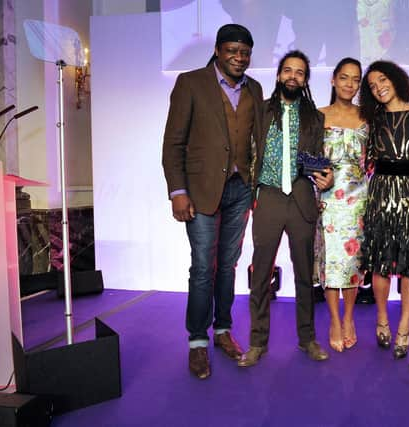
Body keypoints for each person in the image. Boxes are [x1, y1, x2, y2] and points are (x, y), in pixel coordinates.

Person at [162, 24, 264, 379]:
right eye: (233, 50)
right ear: (219, 51)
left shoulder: (255, 89)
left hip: (240, 190)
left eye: (246, 52)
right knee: (203, 267)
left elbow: (259, 142)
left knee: (228, 265)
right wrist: (178, 191)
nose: (240, 57)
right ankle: (197, 342)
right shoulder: (191, 83)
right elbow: (173, 143)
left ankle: (222, 330)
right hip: (201, 190)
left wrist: (257, 187)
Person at [238, 50, 334, 367]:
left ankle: (307, 339)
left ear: (305, 80)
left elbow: (318, 158)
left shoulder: (314, 118)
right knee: (261, 272)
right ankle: (257, 342)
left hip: (302, 197)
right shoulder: (260, 111)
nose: (293, 76)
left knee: (305, 275)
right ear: (279, 75)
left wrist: (326, 175)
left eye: (300, 72)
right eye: (288, 70)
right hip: (268, 197)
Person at [359, 60, 409, 359]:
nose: (378, 88)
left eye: (382, 80)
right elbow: (362, 161)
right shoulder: (371, 119)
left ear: (396, 80)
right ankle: (382, 318)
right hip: (379, 194)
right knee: (380, 261)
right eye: (371, 86)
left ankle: (404, 325)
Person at [314, 57, 368, 352]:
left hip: (359, 199)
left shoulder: (368, 117)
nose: (350, 84)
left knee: (353, 263)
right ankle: (334, 320)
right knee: (331, 263)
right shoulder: (317, 116)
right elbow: (305, 158)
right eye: (344, 77)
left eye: (355, 79)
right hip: (327, 199)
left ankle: (349, 318)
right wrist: (316, 178)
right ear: (333, 80)